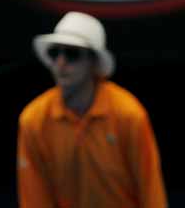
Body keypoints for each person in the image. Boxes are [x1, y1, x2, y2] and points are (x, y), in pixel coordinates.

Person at [17, 12, 167, 208]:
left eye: (72, 53)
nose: (61, 63)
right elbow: (34, 199)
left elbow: (151, 191)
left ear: (93, 61)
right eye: (55, 52)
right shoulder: (33, 120)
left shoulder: (129, 114)